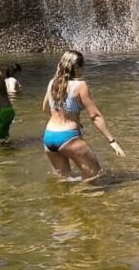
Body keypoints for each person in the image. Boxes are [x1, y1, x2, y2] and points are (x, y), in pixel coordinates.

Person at [42, 50, 125, 180]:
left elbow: (46, 108)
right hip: (68, 137)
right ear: (77, 67)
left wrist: (64, 116)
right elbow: (95, 116)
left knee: (64, 179)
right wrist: (112, 141)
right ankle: (79, 192)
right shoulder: (80, 85)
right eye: (83, 66)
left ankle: (66, 198)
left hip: (49, 136)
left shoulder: (52, 83)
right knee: (96, 175)